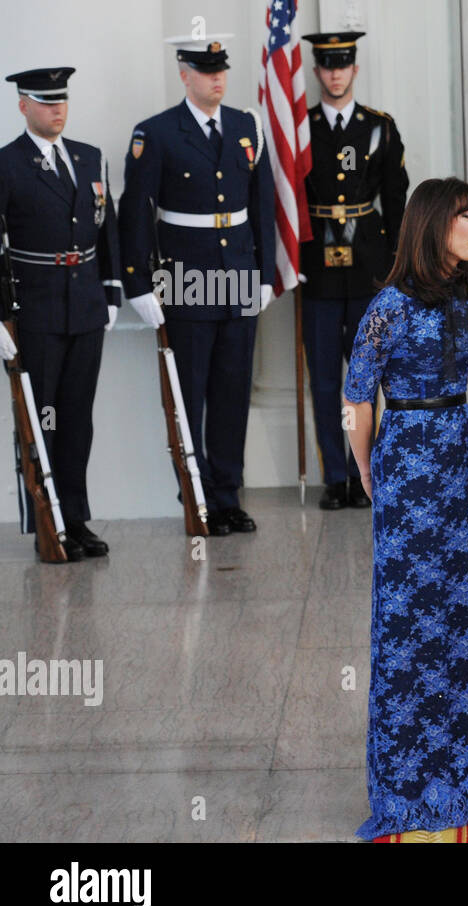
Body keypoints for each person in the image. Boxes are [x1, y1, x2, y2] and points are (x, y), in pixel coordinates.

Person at [344, 178, 468, 843]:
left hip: (460, 461)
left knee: (466, 613)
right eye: (467, 217)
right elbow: (358, 394)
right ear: (434, 226)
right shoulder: (388, 305)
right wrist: (365, 466)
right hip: (407, 461)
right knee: (411, 617)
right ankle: (411, 782)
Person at [117, 36, 274, 536]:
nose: (217, 79)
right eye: (205, 71)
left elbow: (262, 204)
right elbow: (135, 213)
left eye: (221, 69)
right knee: (191, 392)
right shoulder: (157, 133)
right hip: (184, 277)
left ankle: (228, 496)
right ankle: (198, 495)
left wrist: (266, 273)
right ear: (184, 74)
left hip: (239, 275)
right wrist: (138, 284)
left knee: (232, 391)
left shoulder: (247, 127)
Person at [0, 66, 120, 560]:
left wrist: (111, 289)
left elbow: (104, 224)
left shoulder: (88, 156)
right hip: (36, 309)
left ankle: (75, 518)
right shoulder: (7, 165)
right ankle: (44, 521)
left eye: (61, 100)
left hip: (85, 307)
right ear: (23, 105)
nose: (56, 109)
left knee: (75, 419)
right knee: (39, 419)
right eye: (45, 101)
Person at [300, 30, 407, 510]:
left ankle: (367, 468)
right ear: (318, 71)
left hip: (369, 268)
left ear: (354, 70)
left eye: (343, 64)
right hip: (318, 268)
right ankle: (335, 476)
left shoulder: (379, 127)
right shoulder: (300, 129)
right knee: (325, 377)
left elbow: (398, 201)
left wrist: (400, 267)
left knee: (366, 376)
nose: (336, 72)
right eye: (327, 65)